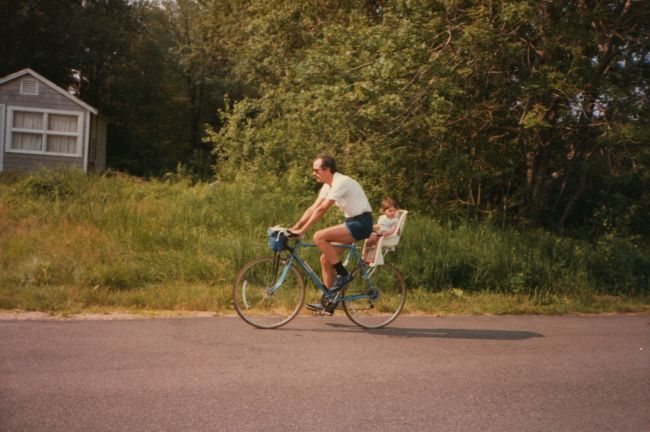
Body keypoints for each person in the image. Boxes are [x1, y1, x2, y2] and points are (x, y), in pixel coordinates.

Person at [289, 154, 373, 314]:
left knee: (319, 236)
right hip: (352, 222)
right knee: (325, 260)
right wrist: (295, 227)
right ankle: (328, 301)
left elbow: (322, 209)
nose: (314, 173)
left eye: (316, 170)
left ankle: (343, 274)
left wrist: (303, 231)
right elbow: (313, 207)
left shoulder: (341, 182)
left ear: (327, 170)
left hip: (361, 223)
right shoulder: (328, 185)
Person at [362, 197, 400, 263]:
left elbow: (394, 229)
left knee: (376, 241)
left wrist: (388, 233)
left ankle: (374, 257)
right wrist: (372, 227)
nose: (392, 213)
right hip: (379, 234)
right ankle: (365, 258)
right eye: (390, 211)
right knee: (368, 241)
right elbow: (379, 226)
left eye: (394, 210)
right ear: (384, 211)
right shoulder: (383, 218)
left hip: (386, 236)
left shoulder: (394, 220)